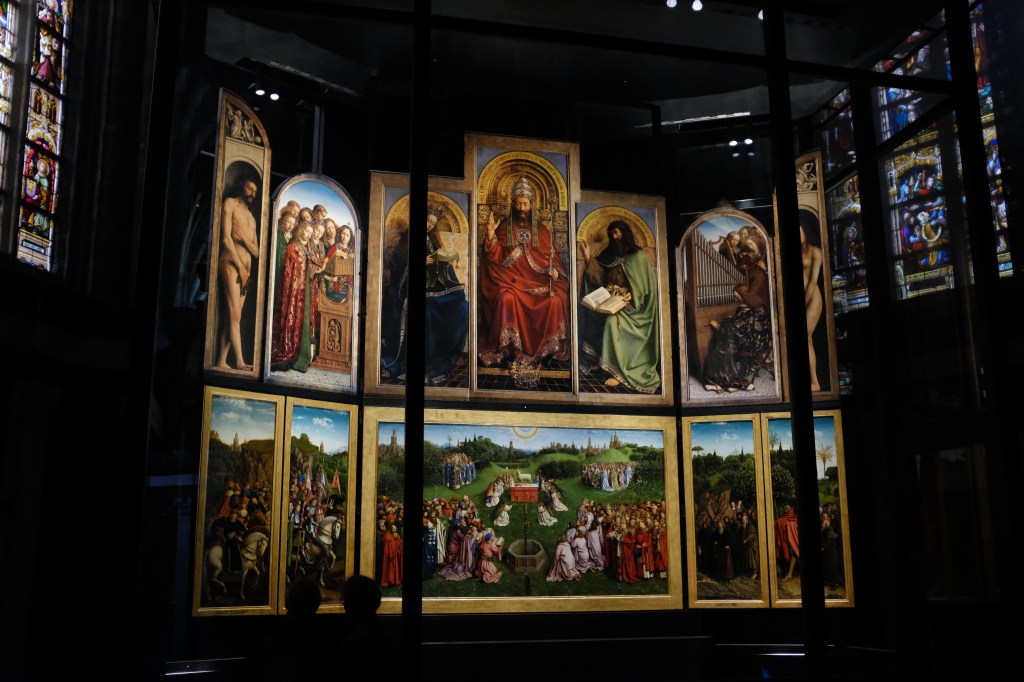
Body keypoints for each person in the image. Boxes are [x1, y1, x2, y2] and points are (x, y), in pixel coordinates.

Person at [478, 176, 570, 376]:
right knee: (505, 298)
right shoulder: (503, 228)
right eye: (518, 204)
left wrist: (554, 272)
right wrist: (491, 235)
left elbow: (554, 260)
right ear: (513, 204)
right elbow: (493, 258)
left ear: (531, 205)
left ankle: (546, 353)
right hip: (509, 281)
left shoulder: (543, 231)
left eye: (525, 204)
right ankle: (509, 352)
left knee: (555, 300)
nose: (521, 208)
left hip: (537, 282)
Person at [381, 208, 469, 384]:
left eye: (433, 223)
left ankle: (441, 356)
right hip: (409, 292)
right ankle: (421, 364)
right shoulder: (404, 245)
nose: (429, 225)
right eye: (427, 220)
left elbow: (438, 268)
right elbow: (396, 272)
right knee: (427, 313)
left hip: (433, 289)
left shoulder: (432, 242)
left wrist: (446, 263)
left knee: (462, 307)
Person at [578, 220, 661, 392]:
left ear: (625, 233)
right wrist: (588, 257)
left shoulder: (638, 256)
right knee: (593, 314)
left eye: (616, 232)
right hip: (611, 301)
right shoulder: (608, 256)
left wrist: (633, 294)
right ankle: (599, 361)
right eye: (611, 233)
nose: (614, 236)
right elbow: (599, 278)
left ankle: (618, 372)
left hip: (635, 309)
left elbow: (647, 287)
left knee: (611, 323)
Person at [214, 176, 260, 371]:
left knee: (234, 316)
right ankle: (240, 361)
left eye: (255, 191)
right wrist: (240, 267)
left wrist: (243, 238)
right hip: (231, 263)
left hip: (245, 270)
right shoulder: (230, 203)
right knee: (234, 314)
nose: (252, 193)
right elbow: (226, 239)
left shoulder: (251, 217)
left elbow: (257, 252)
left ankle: (221, 361)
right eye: (250, 188)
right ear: (242, 186)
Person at [800, 219, 824, 392]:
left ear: (806, 232)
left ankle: (815, 383)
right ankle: (811, 381)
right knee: (805, 340)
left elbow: (813, 281)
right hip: (801, 297)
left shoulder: (816, 251)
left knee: (806, 337)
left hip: (813, 298)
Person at [775, 504, 800, 582]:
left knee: (794, 554)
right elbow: (781, 523)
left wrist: (788, 525)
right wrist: (779, 522)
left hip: (795, 541)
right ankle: (789, 573)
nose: (785, 511)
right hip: (788, 541)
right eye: (784, 509)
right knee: (790, 555)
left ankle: (790, 573)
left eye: (787, 509)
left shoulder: (795, 518)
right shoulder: (783, 519)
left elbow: (795, 527)